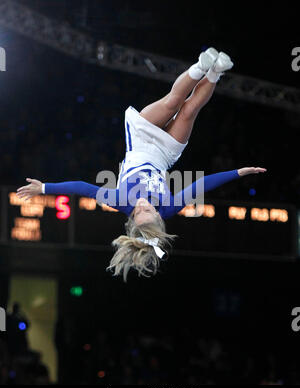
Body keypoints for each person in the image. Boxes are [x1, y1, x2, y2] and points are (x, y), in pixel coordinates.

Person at [17, 48, 266, 281]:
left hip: (139, 139)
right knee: (190, 110)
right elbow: (201, 184)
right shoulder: (168, 208)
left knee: (172, 103)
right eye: (151, 211)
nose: (145, 206)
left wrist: (45, 188)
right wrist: (238, 172)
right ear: (159, 215)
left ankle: (201, 65)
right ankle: (216, 71)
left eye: (140, 212)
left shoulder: (120, 201)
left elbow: (81, 187)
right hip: (166, 153)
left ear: (132, 217)